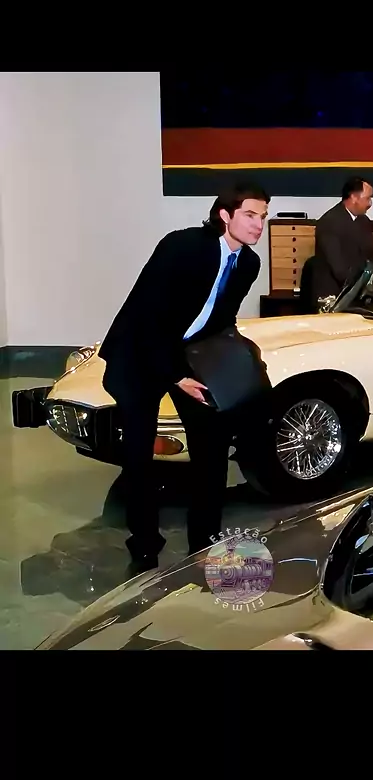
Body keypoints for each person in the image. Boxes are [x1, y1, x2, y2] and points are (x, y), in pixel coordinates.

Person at [99, 182, 270, 572]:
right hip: (139, 354)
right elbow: (148, 317)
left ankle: (204, 542)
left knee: (212, 446)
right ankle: (144, 545)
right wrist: (175, 375)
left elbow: (220, 320)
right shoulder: (184, 246)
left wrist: (239, 357)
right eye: (249, 215)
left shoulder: (248, 263)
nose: (258, 225)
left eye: (263, 217)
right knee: (139, 456)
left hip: (189, 355)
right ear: (224, 214)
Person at [313, 176, 373, 301]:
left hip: (355, 290)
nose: (370, 203)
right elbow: (340, 270)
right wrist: (369, 284)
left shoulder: (362, 220)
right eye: (368, 198)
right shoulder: (329, 223)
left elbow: (372, 250)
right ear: (354, 198)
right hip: (333, 296)